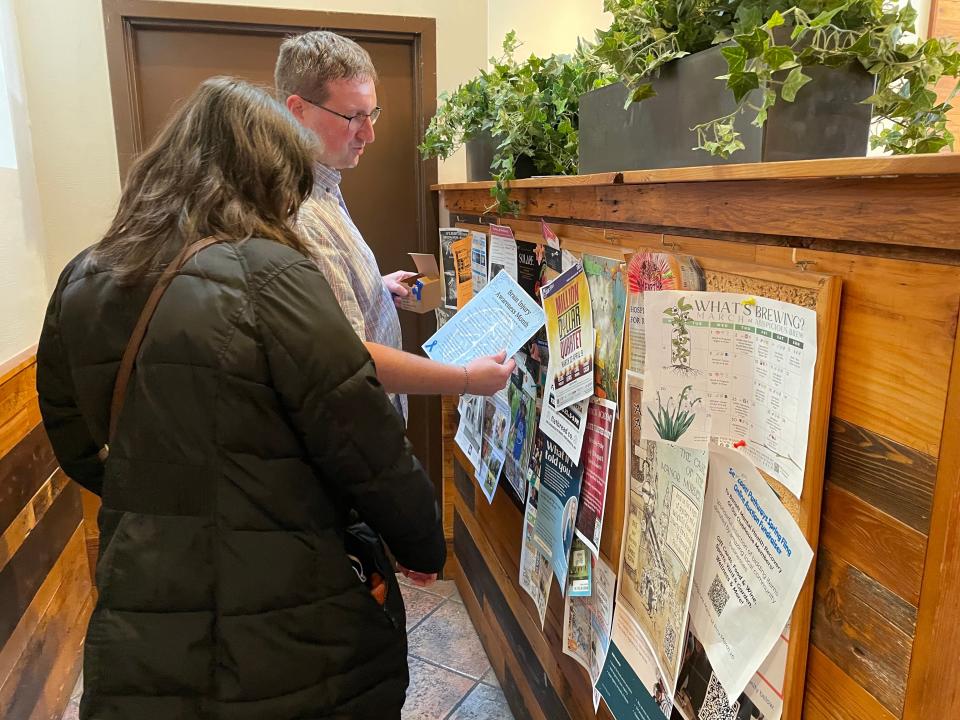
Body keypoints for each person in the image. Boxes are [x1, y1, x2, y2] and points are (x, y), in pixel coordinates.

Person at [36, 76, 445, 720]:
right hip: (290, 602)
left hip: (143, 596)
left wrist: (159, 499)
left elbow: (71, 435)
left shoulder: (85, 276)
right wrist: (421, 543)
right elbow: (363, 437)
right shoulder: (271, 272)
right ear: (267, 174)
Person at [274, 31, 514, 420]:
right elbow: (352, 358)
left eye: (372, 114)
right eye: (353, 117)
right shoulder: (300, 211)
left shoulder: (324, 185)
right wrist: (466, 378)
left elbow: (327, 309)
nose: (368, 133)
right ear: (297, 109)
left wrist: (373, 290)